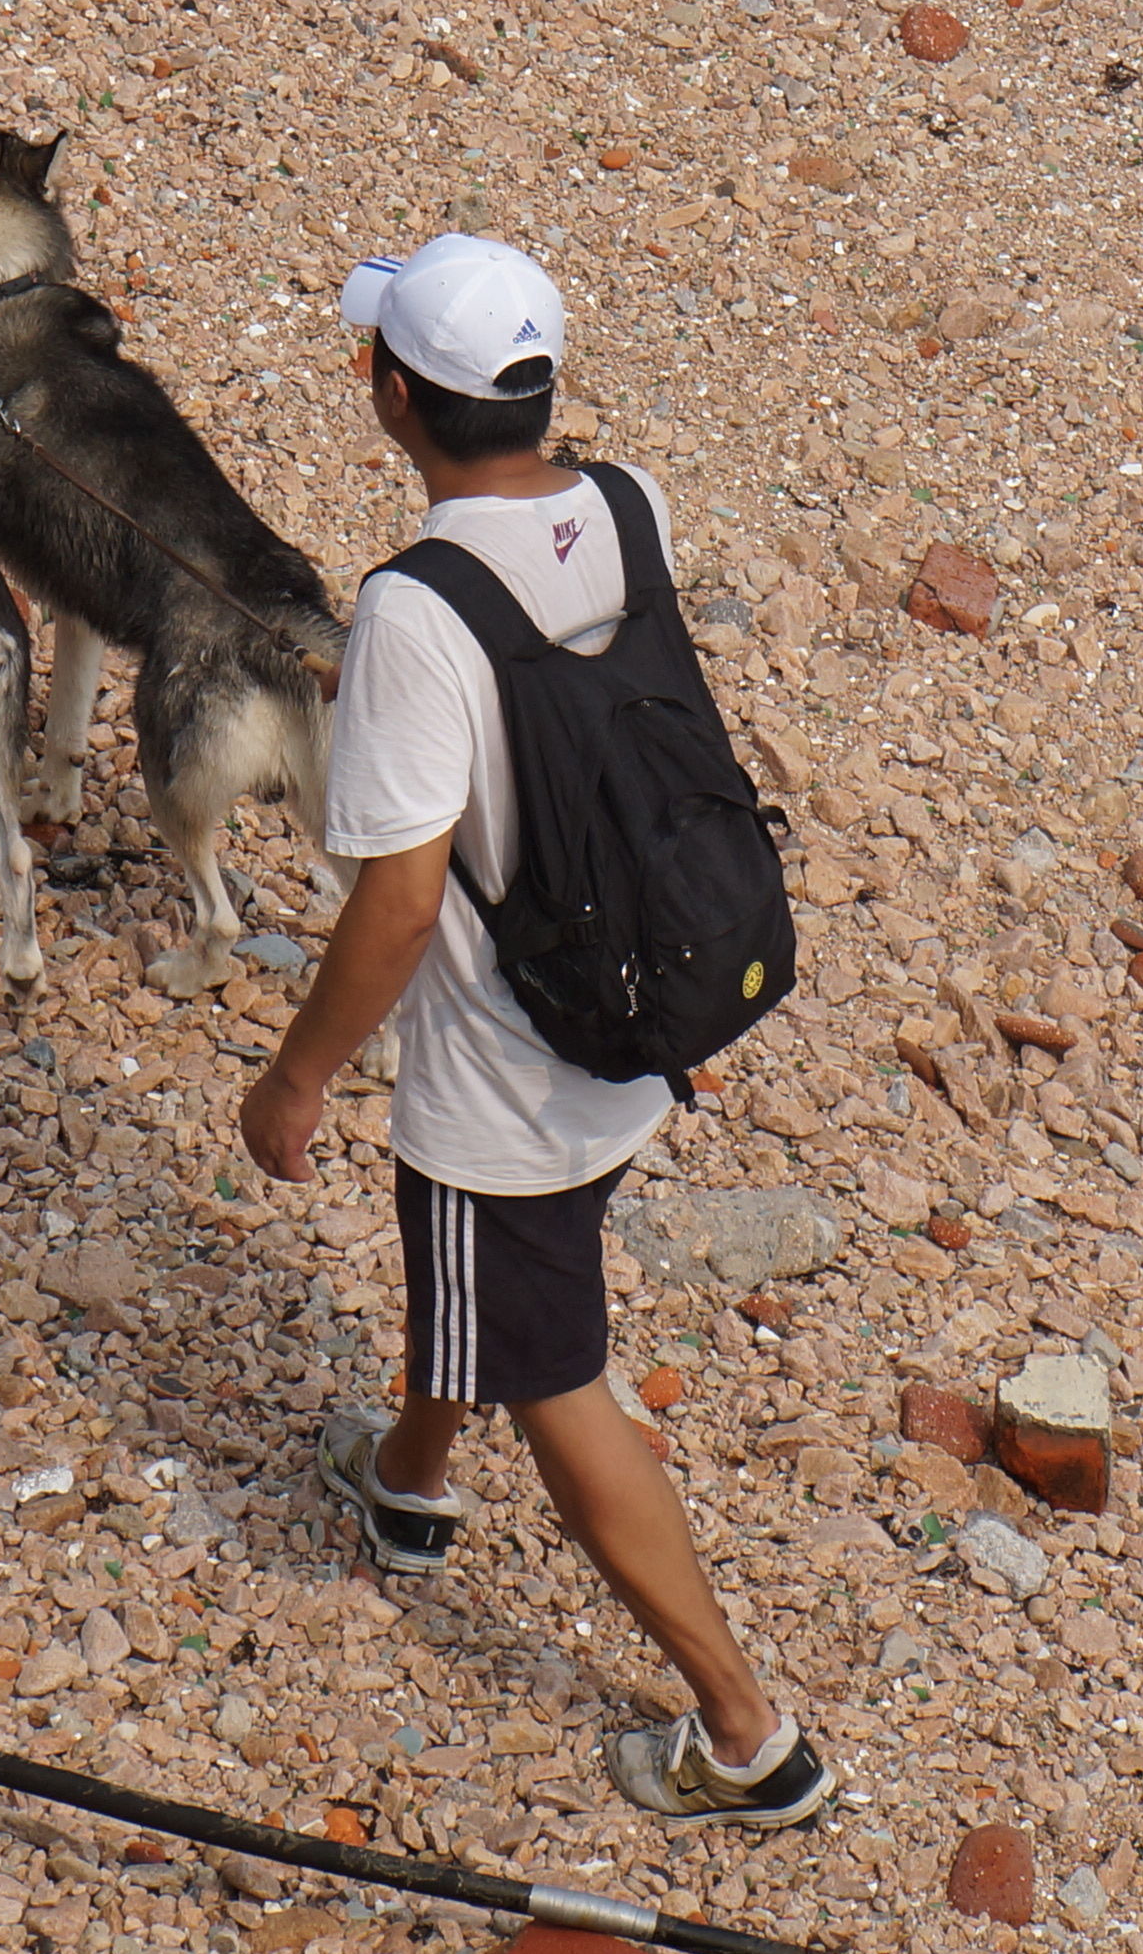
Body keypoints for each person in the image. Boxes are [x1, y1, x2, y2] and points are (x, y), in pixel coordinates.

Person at [233, 233, 838, 1834]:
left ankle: (744, 1734)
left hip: (506, 1079)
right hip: (641, 1010)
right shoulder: (628, 503)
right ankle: (413, 1480)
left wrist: (297, 1076)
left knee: (559, 1372)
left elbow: (396, 910)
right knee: (496, 1286)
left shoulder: (416, 613)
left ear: (389, 395)